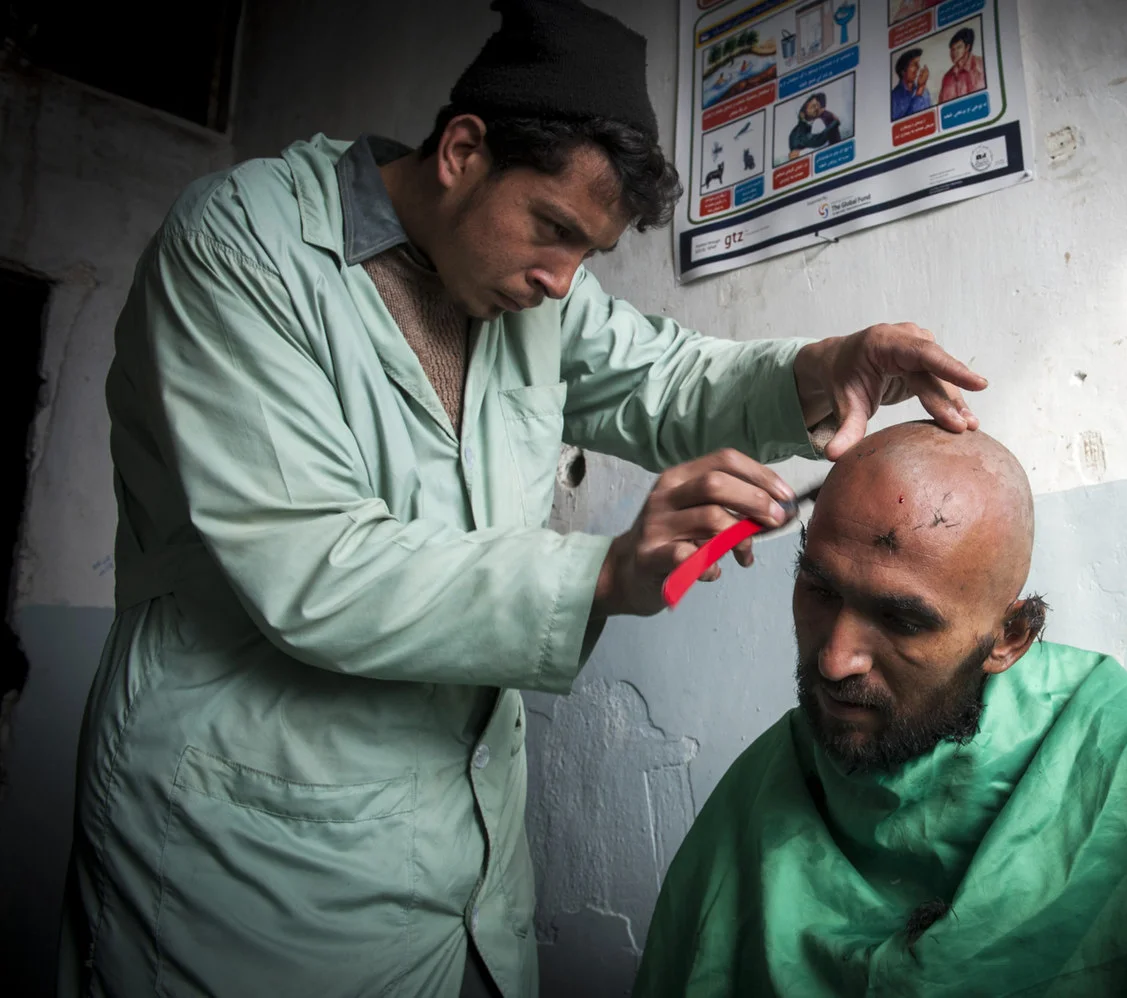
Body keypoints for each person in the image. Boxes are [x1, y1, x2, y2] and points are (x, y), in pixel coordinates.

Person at [58, 2, 988, 997]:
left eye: (588, 253)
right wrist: (602, 574)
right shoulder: (246, 246)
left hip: (461, 851)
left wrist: (825, 366)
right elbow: (313, 564)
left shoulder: (533, 293)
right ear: (462, 151)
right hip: (250, 852)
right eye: (553, 230)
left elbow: (666, 377)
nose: (560, 280)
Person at [634, 422, 1127, 997]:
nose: (834, 660)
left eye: (903, 620)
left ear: (1009, 638)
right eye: (820, 590)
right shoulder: (766, 789)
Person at [787, 91, 842, 158]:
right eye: (813, 106)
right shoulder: (800, 132)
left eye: (817, 105)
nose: (817, 108)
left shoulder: (819, 118)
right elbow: (818, 140)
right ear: (802, 114)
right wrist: (835, 123)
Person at [938, 26, 986, 102]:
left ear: (967, 47)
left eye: (958, 47)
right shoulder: (947, 77)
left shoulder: (982, 65)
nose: (954, 52)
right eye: (952, 49)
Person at [890, 48, 932, 120]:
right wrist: (920, 89)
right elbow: (904, 122)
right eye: (914, 64)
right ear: (903, 71)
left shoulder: (925, 92)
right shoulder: (894, 97)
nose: (918, 67)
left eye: (918, 64)